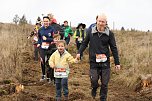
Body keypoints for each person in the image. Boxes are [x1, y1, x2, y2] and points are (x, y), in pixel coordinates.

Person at [76, 13, 121, 101]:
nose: (101, 23)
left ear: (106, 23)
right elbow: (85, 43)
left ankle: (103, 98)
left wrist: (117, 63)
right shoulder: (90, 32)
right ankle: (94, 88)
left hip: (105, 62)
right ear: (96, 21)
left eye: (103, 22)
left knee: (105, 83)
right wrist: (79, 52)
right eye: (99, 21)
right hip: (93, 61)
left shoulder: (110, 34)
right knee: (94, 80)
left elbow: (114, 48)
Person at [37, 16, 56, 82]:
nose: (46, 22)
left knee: (49, 62)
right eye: (44, 21)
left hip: (50, 47)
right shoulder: (40, 29)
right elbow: (39, 37)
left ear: (49, 22)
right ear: (43, 22)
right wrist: (39, 43)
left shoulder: (52, 29)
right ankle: (43, 75)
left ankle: (49, 76)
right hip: (42, 47)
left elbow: (54, 39)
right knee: (42, 61)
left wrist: (47, 39)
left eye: (47, 21)